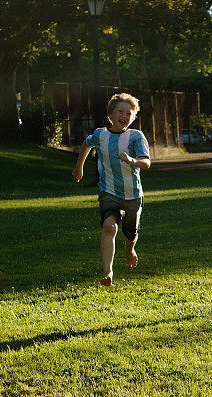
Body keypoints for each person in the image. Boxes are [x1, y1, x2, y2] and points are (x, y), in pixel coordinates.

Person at [72, 93, 151, 286]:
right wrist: (79, 166)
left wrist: (131, 160)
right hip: (108, 191)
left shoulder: (136, 136)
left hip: (132, 194)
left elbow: (146, 163)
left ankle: (129, 249)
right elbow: (86, 144)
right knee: (109, 227)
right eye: (120, 111)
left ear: (133, 117)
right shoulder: (100, 134)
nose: (124, 115)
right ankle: (108, 273)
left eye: (129, 112)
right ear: (111, 115)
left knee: (130, 234)